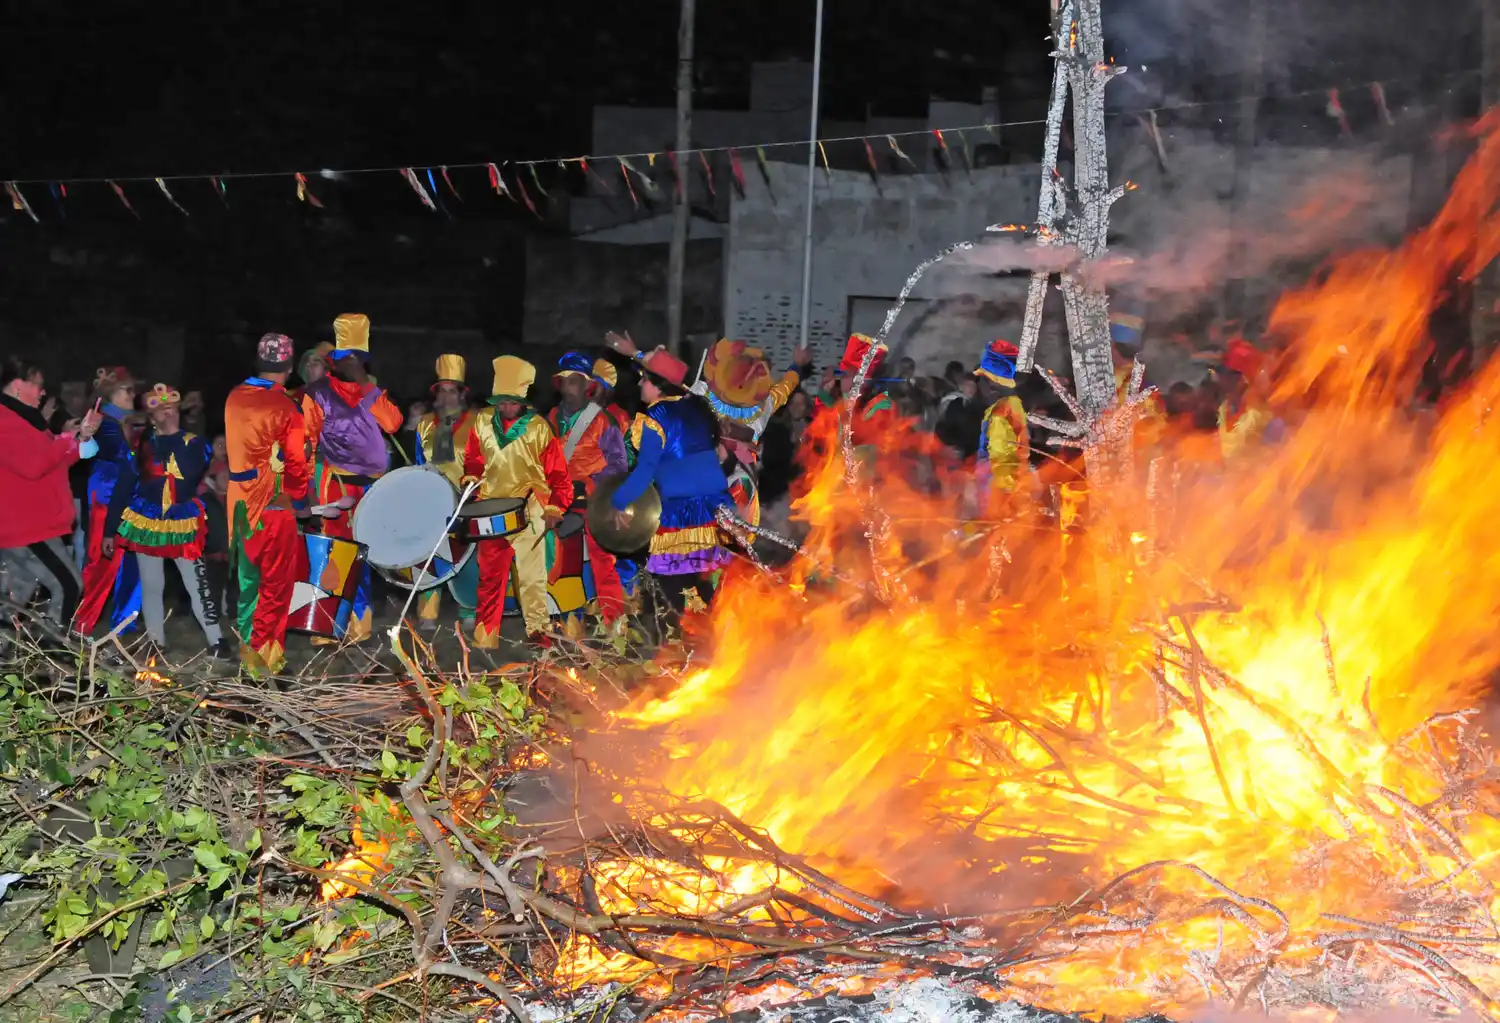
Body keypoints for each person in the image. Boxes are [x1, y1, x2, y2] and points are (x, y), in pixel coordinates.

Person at [104, 383, 229, 659]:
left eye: (172, 408)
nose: (167, 412)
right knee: (152, 584)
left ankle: (217, 640)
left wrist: (171, 434)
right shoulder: (141, 446)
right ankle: (155, 641)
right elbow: (124, 486)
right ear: (151, 416)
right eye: (161, 409)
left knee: (197, 582)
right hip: (148, 521)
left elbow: (190, 472)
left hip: (181, 519)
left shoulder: (195, 443)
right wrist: (109, 530)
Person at [299, 313, 404, 644]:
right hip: (336, 485)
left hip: (371, 489)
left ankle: (360, 626)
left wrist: (367, 386)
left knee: (363, 555)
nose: (352, 364)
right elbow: (305, 443)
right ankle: (325, 627)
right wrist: (309, 492)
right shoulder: (318, 393)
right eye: (347, 357)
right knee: (333, 554)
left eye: (358, 359)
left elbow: (393, 424)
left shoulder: (371, 392)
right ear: (335, 360)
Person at [608, 347, 733, 619]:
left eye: (644, 379)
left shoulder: (656, 417)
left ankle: (673, 638)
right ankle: (711, 636)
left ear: (657, 385)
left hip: (681, 513)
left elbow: (645, 470)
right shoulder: (696, 407)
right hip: (716, 508)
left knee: (670, 591)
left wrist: (619, 501)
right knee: (704, 583)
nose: (640, 384)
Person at [460, 356, 573, 651]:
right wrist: (470, 477)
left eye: (512, 402)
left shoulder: (539, 428)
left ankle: (538, 633)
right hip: (491, 508)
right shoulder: (482, 421)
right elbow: (474, 458)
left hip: (530, 509)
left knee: (532, 578)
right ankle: (485, 637)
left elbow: (558, 474)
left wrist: (555, 507)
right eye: (501, 402)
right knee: (490, 577)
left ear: (523, 401)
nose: (506, 407)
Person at [225, 333, 311, 673]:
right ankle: (264, 663)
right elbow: (296, 464)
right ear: (289, 368)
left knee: (248, 584)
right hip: (273, 508)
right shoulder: (286, 407)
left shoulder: (234, 397)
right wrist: (300, 498)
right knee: (274, 586)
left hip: (239, 507)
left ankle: (248, 651)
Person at [0, 357, 100, 634]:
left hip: (32, 525)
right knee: (68, 585)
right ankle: (53, 650)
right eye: (38, 385)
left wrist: (81, 438)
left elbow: (54, 462)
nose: (43, 392)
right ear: (18, 385)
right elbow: (34, 464)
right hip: (27, 528)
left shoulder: (26, 420)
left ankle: (7, 653)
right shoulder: (5, 421)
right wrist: (67, 439)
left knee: (14, 599)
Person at [547, 352, 628, 624]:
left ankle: (614, 622)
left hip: (594, 500)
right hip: (559, 500)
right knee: (559, 560)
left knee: (603, 562)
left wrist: (590, 483)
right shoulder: (551, 418)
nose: (567, 387)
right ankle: (569, 620)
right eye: (563, 381)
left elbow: (619, 465)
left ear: (586, 386)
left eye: (573, 381)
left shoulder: (603, 421)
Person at [412, 354, 478, 629]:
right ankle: (428, 613)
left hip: (467, 498)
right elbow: (418, 460)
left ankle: (469, 610)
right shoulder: (425, 422)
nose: (447, 397)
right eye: (443, 391)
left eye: (453, 391)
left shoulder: (477, 422)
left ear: (462, 394)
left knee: (468, 555)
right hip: (431, 499)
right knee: (429, 554)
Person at [74, 366, 141, 638]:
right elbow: (126, 460)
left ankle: (124, 629)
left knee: (131, 568)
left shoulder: (125, 424)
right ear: (111, 393)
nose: (133, 395)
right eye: (128, 390)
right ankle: (80, 628)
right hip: (106, 501)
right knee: (101, 566)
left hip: (128, 503)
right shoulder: (106, 425)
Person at [973, 340, 1031, 507]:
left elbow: (1001, 457)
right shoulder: (1013, 404)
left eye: (981, 380)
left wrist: (1002, 492)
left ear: (991, 383)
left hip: (1000, 487)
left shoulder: (1001, 412)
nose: (979, 387)